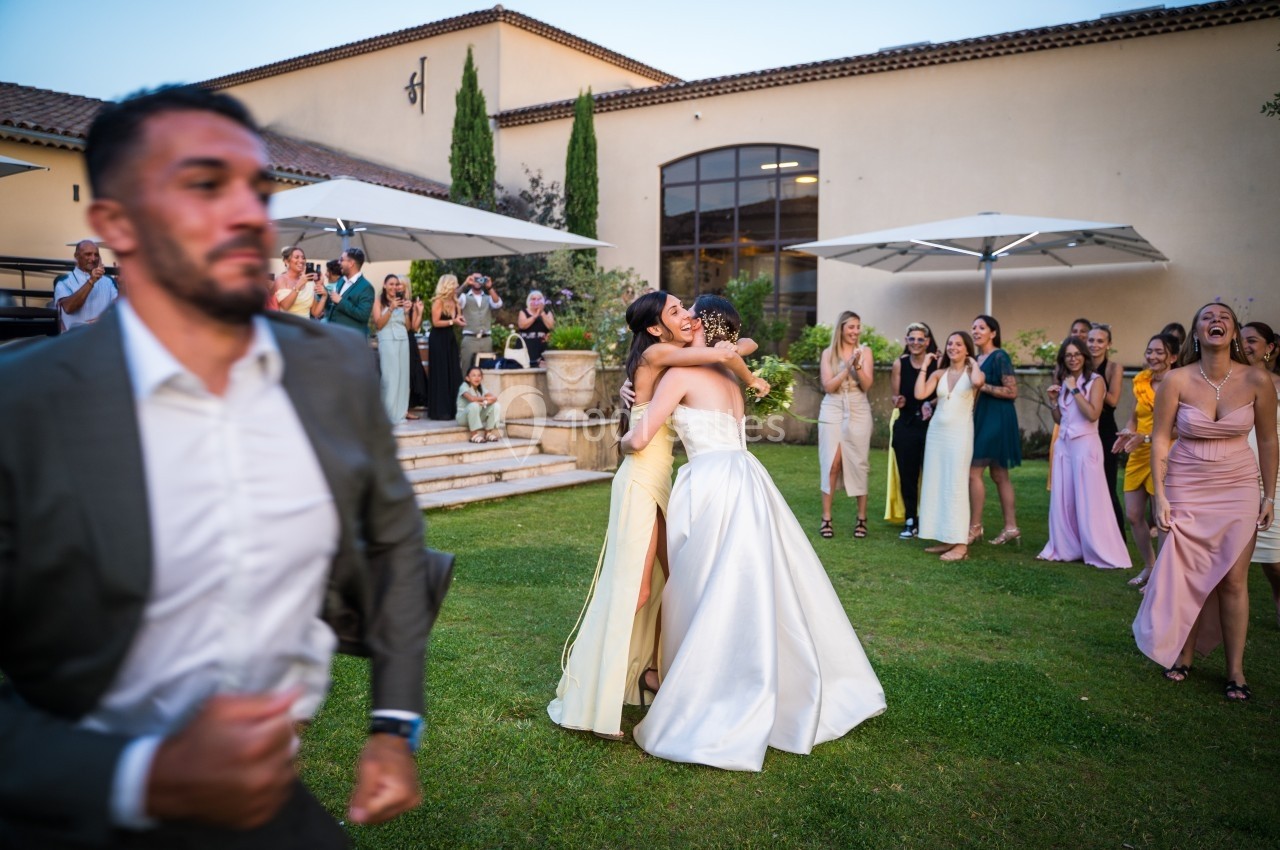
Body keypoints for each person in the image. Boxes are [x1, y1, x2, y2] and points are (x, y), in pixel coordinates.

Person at [0, 86, 446, 848]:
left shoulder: (334, 369)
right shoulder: (24, 406)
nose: (248, 215)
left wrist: (393, 723)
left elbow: (398, 542)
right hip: (76, 815)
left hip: (272, 811)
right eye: (205, 185)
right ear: (116, 224)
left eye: (257, 189)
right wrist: (147, 775)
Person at [622, 295, 885, 771]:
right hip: (747, 477)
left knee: (700, 585)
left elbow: (641, 436)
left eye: (689, 315)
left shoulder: (680, 374)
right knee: (756, 583)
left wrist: (627, 431)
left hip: (708, 483)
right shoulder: (729, 375)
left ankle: (695, 685)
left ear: (702, 327)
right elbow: (740, 347)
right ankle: (750, 679)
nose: (684, 320)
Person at [549, 291, 765, 742]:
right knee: (638, 587)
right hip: (641, 483)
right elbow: (728, 350)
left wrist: (633, 393)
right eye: (676, 312)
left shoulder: (672, 360)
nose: (687, 316)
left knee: (672, 583)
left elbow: (741, 345)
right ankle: (598, 698)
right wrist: (626, 436)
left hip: (664, 481)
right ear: (654, 328)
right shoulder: (660, 355)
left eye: (688, 310)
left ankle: (655, 673)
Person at [1133, 303, 1276, 701]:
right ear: (1197, 332)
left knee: (1233, 580)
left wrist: (1268, 495)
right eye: (1208, 317)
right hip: (1185, 483)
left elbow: (1268, 440)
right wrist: (1161, 495)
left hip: (1237, 485)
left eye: (1224, 317)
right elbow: (1161, 439)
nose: (1217, 321)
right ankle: (1184, 654)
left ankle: (1235, 670)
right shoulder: (1176, 379)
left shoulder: (1257, 380)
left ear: (1234, 332)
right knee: (1186, 574)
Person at [1038, 338, 1132, 569]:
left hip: (1086, 445)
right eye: (1068, 355)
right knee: (1065, 498)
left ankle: (1099, 548)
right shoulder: (1064, 380)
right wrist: (1054, 402)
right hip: (1064, 446)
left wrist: (1074, 390)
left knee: (1089, 499)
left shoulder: (1095, 381)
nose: (1073, 359)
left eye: (1077, 354)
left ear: (1084, 356)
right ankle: (1067, 547)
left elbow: (1092, 414)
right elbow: (1060, 419)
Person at [1113, 333, 1179, 586]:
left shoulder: (1180, 383)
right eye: (1149, 351)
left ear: (1173, 357)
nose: (1152, 356)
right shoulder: (1141, 380)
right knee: (1133, 514)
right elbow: (1134, 417)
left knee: (1160, 517)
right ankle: (1149, 566)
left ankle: (1162, 576)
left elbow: (1182, 428)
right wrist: (1127, 433)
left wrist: (1147, 438)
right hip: (1138, 453)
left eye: (1159, 352)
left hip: (1165, 454)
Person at [916, 331, 986, 562]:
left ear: (967, 348)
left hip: (960, 435)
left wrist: (973, 362)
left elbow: (979, 382)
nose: (953, 347)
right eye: (950, 343)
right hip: (936, 434)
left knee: (956, 484)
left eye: (959, 344)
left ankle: (961, 544)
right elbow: (920, 393)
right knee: (937, 483)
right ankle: (947, 537)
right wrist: (925, 365)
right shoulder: (939, 373)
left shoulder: (972, 373)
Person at [818, 311, 874, 539]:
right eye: (851, 327)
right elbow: (828, 386)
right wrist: (847, 367)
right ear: (841, 328)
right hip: (832, 408)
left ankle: (861, 518)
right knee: (831, 463)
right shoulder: (828, 353)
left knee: (858, 463)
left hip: (859, 409)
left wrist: (857, 367)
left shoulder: (865, 352)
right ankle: (826, 518)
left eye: (858, 327)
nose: (855, 331)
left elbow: (867, 386)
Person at [970, 314, 1022, 545]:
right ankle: (1011, 528)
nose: (976, 331)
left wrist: (984, 387)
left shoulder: (1000, 356)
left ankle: (975, 527)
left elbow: (1012, 391)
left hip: (998, 418)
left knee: (973, 472)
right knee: (999, 475)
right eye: (974, 327)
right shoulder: (975, 359)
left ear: (993, 333)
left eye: (981, 328)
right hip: (981, 416)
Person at [1242, 320, 1280, 627]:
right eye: (1240, 339)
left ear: (1269, 348)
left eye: (1252, 340)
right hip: (1235, 475)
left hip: (1275, 479)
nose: (1244, 345)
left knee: (1275, 561)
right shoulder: (1230, 381)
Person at [887, 322, 937, 539]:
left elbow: (943, 393)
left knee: (932, 473)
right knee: (908, 475)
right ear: (906, 341)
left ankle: (932, 519)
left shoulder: (936, 363)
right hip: (906, 424)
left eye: (920, 339)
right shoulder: (900, 363)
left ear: (927, 342)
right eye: (912, 339)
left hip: (931, 425)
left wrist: (930, 403)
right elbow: (895, 396)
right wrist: (897, 400)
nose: (916, 343)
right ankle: (910, 519)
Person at [1086, 323, 1126, 535]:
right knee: (1087, 488)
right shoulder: (1080, 366)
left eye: (1100, 341)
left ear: (1108, 344)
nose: (1094, 344)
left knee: (1108, 488)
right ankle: (1092, 535)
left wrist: (1094, 383)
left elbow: (1113, 400)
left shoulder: (1113, 368)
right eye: (1091, 340)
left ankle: (1118, 537)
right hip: (1084, 430)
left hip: (1106, 431)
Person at [374, 273, 415, 424]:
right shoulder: (379, 301)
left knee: (403, 377)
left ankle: (400, 413)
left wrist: (407, 312)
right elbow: (379, 324)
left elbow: (408, 327)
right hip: (387, 339)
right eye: (391, 284)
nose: (394, 287)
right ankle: (386, 414)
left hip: (403, 339)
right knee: (389, 377)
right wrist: (390, 308)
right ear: (384, 286)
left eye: (396, 284)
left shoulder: (402, 301)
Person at [54, 239, 118, 330]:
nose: (93, 259)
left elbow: (119, 310)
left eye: (96, 255)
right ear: (76, 256)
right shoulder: (64, 281)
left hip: (103, 335)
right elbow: (68, 308)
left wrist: (123, 286)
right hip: (75, 337)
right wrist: (91, 281)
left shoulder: (109, 281)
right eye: (88, 254)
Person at [427, 274, 465, 421]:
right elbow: (436, 322)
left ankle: (454, 409)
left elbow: (457, 320)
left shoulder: (455, 302)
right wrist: (452, 322)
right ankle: (440, 410)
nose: (457, 286)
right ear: (448, 285)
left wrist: (460, 320)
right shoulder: (438, 301)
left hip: (450, 338)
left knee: (453, 370)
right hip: (438, 339)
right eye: (455, 284)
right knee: (441, 372)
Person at [457, 272, 502, 372]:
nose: (477, 281)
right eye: (475, 279)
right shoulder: (464, 297)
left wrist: (490, 287)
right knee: (466, 369)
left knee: (487, 368)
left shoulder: (488, 297)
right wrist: (465, 283)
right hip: (470, 338)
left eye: (480, 279)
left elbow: (498, 303)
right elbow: (453, 297)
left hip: (486, 339)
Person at [324, 247, 374, 335]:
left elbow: (363, 315)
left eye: (341, 260)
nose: (339, 263)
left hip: (351, 338)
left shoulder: (366, 287)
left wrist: (341, 301)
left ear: (351, 263)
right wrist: (323, 294)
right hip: (334, 334)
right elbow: (333, 305)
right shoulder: (341, 281)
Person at [456, 365, 503, 442]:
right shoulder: (464, 387)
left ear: (482, 378)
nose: (477, 378)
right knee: (474, 405)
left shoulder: (481, 387)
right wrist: (484, 399)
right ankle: (474, 435)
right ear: (467, 378)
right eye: (473, 375)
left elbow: (494, 398)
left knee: (496, 405)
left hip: (477, 414)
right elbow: (472, 399)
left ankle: (488, 433)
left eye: (479, 375)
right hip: (463, 418)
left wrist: (485, 402)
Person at [274, 246, 317, 318]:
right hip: (288, 323)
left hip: (305, 323)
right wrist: (298, 285)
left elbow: (315, 312)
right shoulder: (281, 279)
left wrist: (323, 294)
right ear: (286, 261)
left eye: (303, 258)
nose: (301, 260)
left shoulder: (309, 281)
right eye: (297, 257)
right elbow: (285, 306)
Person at [405, 282, 428, 412]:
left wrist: (419, 313)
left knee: (412, 371)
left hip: (409, 339)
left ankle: (410, 405)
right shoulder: (389, 303)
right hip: (394, 339)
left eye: (400, 285)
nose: (397, 287)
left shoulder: (411, 304)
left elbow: (414, 327)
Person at [517, 288, 555, 365]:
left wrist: (542, 313)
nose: (536, 301)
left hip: (542, 345)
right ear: (529, 301)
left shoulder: (547, 312)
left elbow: (551, 327)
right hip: (526, 345)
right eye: (533, 299)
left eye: (539, 299)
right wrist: (535, 315)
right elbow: (522, 326)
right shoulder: (523, 311)